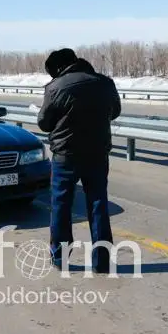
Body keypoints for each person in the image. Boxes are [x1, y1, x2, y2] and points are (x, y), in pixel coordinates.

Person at [37, 48, 121, 273]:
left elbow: (44, 123)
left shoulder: (56, 87)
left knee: (61, 205)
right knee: (98, 204)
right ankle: (101, 261)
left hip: (66, 156)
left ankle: (60, 258)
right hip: (97, 154)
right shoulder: (105, 83)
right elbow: (115, 112)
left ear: (58, 68)